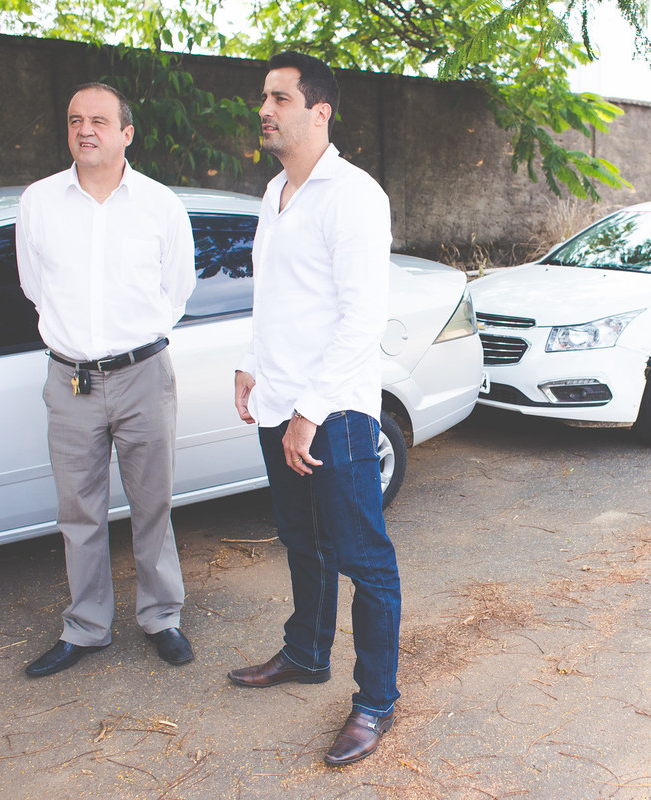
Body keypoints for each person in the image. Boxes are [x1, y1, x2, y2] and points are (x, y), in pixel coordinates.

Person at [228, 52, 401, 767]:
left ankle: (376, 700)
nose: (265, 110)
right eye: (264, 98)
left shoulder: (352, 195)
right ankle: (306, 653)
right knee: (304, 544)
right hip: (279, 402)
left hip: (337, 414)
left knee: (365, 559)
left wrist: (310, 410)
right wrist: (248, 360)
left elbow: (363, 318)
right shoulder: (276, 193)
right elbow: (271, 296)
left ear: (319, 111)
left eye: (279, 98)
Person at [17, 82, 197, 677]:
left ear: (126, 133)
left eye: (98, 120)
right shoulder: (39, 202)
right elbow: (34, 287)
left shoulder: (160, 205)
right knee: (79, 512)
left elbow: (176, 290)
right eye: (74, 121)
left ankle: (161, 617)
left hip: (143, 375)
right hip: (70, 381)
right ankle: (86, 627)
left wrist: (129, 343)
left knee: (153, 505)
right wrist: (82, 345)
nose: (84, 130)